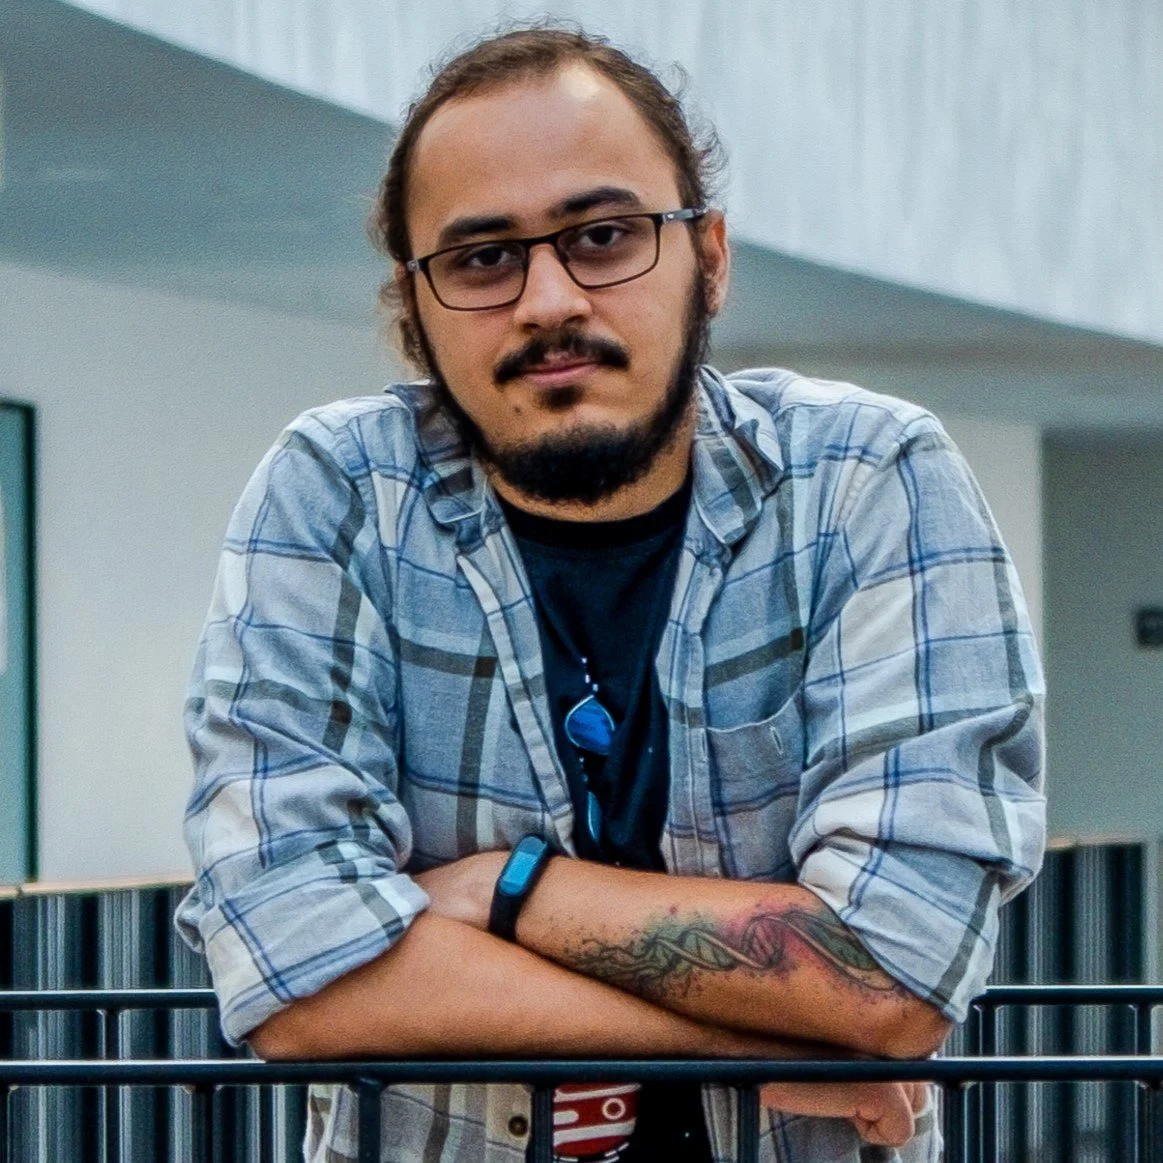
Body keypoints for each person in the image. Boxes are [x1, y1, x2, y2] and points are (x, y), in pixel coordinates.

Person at [176, 25, 1046, 1163]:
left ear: (710, 256)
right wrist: (773, 1041)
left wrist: (505, 886)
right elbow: (289, 966)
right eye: (482, 258)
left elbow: (892, 969)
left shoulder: (866, 484)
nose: (547, 297)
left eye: (601, 237)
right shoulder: (338, 495)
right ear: (414, 302)